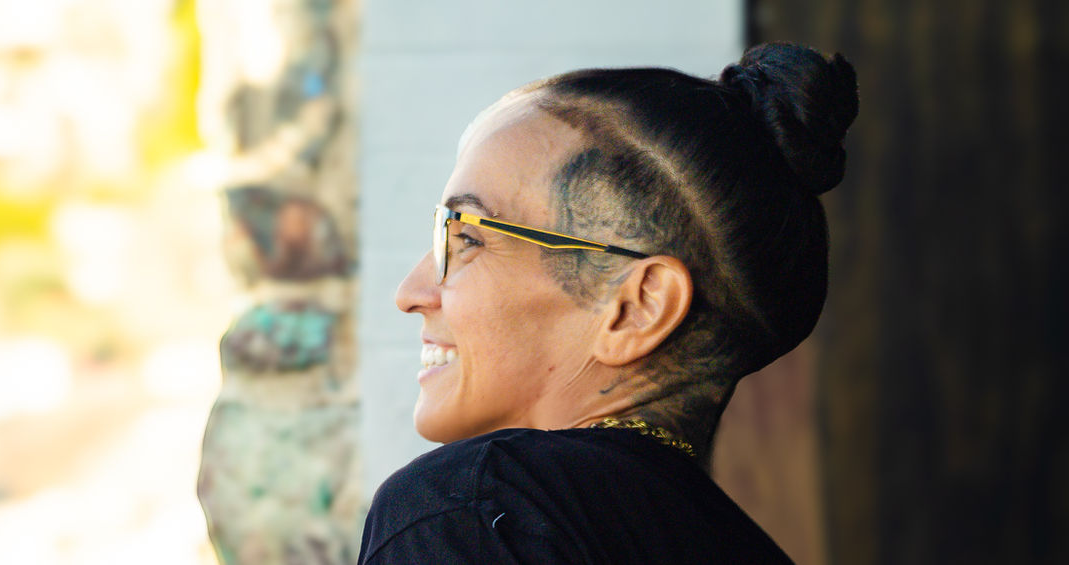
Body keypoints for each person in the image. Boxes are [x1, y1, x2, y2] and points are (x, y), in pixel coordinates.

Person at [358, 41, 858, 564]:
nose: (410, 294)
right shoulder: (746, 548)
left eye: (468, 239)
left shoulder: (475, 511)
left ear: (638, 306)